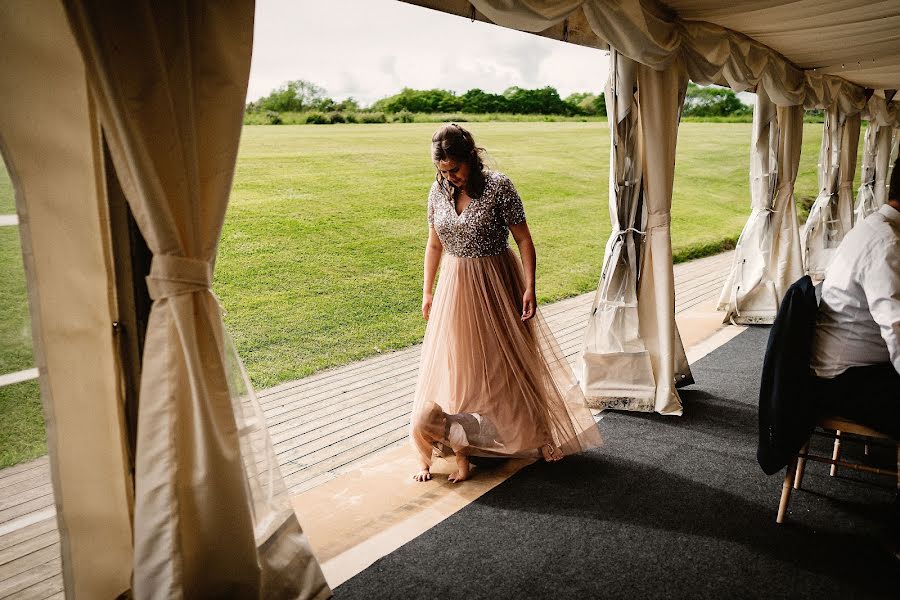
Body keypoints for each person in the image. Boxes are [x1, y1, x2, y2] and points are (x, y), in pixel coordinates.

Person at [409, 124, 602, 483]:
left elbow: (524, 240)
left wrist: (530, 286)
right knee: (464, 362)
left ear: (471, 158)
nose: (450, 177)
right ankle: (471, 439)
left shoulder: (499, 186)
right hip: (456, 286)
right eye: (443, 171)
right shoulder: (438, 191)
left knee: (511, 359)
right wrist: (427, 290)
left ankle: (542, 436)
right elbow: (433, 244)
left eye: (455, 169)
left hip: (497, 281)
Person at [810, 156, 900, 437]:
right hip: (844, 381)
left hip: (853, 369)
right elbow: (897, 330)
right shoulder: (887, 243)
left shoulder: (875, 226)